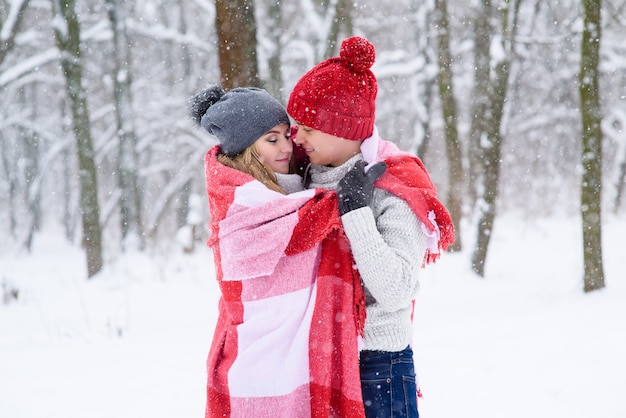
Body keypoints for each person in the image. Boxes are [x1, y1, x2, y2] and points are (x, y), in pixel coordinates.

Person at [287, 36, 455, 418]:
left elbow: (395, 289)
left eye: (308, 128)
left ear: (342, 129)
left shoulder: (394, 187)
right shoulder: (308, 178)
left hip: (376, 366)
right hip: (320, 361)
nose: (297, 136)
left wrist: (355, 214)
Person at [189, 85, 368, 418]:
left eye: (287, 135)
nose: (287, 147)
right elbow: (297, 229)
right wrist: (343, 203)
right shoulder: (240, 205)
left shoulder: (299, 187)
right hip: (258, 366)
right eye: (272, 140)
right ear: (245, 151)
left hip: (302, 361)